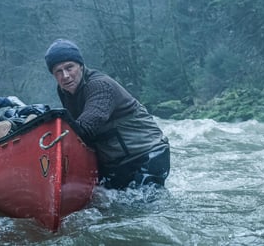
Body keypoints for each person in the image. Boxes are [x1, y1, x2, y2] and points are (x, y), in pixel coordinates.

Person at [44, 39, 170, 190]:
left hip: (147, 154)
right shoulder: (64, 90)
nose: (65, 76)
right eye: (58, 71)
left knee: (143, 207)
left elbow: (85, 129)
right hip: (116, 161)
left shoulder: (100, 85)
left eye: (69, 67)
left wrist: (50, 124)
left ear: (81, 66)